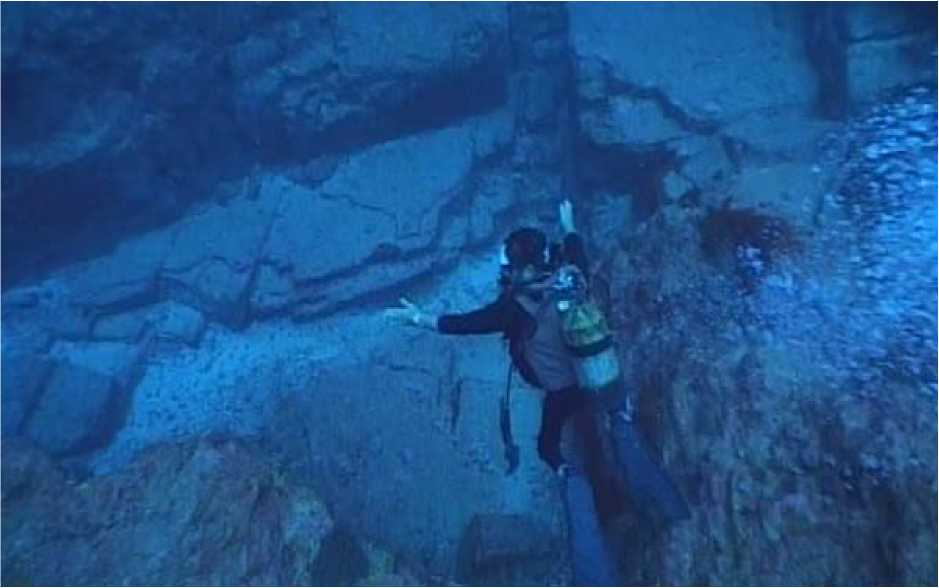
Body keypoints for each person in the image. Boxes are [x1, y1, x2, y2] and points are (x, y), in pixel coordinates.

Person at [385, 199, 688, 585]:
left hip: (563, 395)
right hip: (603, 378)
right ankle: (668, 506)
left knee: (549, 450)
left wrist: (418, 318)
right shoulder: (572, 276)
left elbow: (466, 324)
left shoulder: (513, 309)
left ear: (517, 267)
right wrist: (568, 222)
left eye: (508, 266)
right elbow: (577, 249)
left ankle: (590, 554)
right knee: (620, 424)